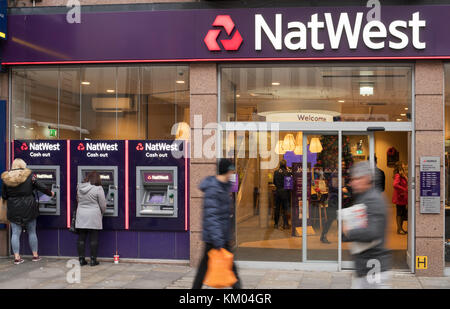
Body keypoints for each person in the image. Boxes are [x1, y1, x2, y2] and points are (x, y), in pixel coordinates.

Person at [192, 158, 241, 289]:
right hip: (216, 238)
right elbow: (211, 216)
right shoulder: (214, 189)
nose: (232, 174)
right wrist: (218, 240)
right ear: (226, 171)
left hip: (221, 236)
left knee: (208, 269)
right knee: (227, 269)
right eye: (231, 171)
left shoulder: (224, 187)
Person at [344, 161, 391, 289]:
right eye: (352, 179)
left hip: (372, 265)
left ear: (367, 179)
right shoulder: (363, 197)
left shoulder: (373, 199)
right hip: (366, 265)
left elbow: (372, 232)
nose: (353, 182)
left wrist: (348, 232)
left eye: (357, 178)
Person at [1, 158, 54, 265]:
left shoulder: (7, 178)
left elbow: (4, 195)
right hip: (29, 207)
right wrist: (50, 193)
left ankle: (17, 257)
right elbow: (41, 187)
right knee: (32, 231)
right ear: (23, 165)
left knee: (15, 233)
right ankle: (35, 255)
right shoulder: (29, 176)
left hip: (13, 207)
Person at [76, 171, 106, 266]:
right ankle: (93, 260)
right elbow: (103, 204)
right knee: (94, 239)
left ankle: (81, 260)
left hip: (81, 214)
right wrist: (102, 211)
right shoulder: (98, 188)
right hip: (93, 215)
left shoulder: (79, 187)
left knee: (81, 238)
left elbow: (77, 200)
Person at [273, 159, 291, 230]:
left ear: (280, 165)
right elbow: (289, 184)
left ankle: (276, 224)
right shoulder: (288, 172)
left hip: (278, 192)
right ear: (285, 165)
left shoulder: (276, 172)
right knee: (285, 209)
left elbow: (274, 182)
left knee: (277, 208)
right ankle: (285, 224)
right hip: (285, 193)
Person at [393, 161, 408, 235]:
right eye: (403, 164)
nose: (405, 165)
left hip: (403, 197)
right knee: (399, 213)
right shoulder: (397, 175)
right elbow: (395, 185)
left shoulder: (402, 175)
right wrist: (404, 189)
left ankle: (401, 228)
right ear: (400, 166)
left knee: (402, 213)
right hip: (399, 197)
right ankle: (399, 229)